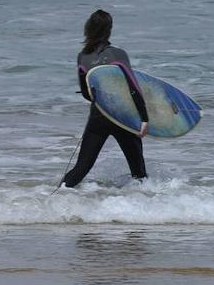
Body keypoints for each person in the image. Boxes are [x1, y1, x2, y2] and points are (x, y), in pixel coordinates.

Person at [61, 10, 149, 188]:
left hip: (98, 117)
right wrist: (144, 118)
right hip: (122, 116)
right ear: (109, 30)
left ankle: (52, 197)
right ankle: (147, 209)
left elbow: (86, 93)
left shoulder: (83, 56)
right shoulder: (118, 54)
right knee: (138, 171)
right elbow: (133, 88)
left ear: (88, 29)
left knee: (82, 167)